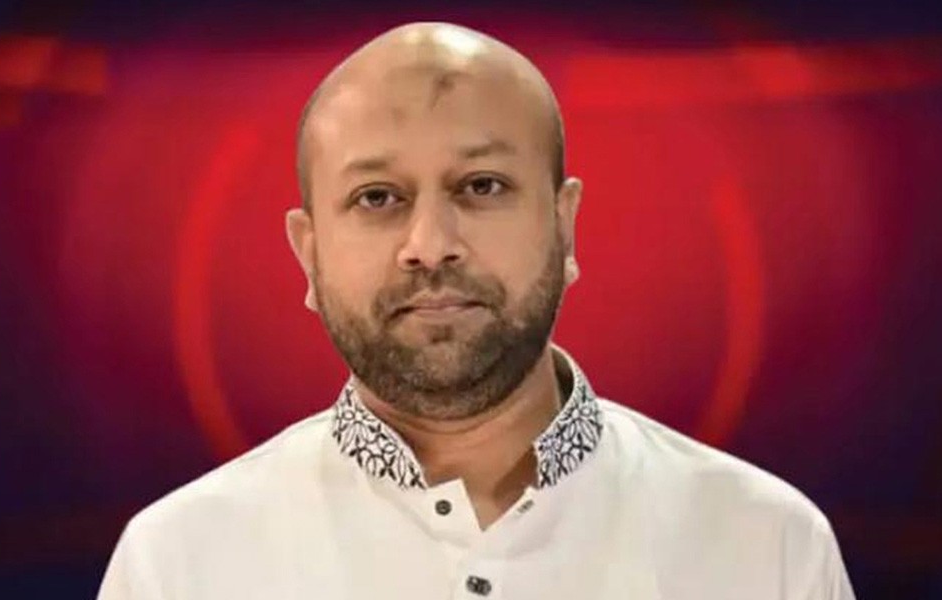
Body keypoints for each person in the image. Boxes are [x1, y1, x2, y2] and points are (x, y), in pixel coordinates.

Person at [97, 22, 855, 599]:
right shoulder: (180, 565)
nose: (430, 245)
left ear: (564, 227)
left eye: (482, 186)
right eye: (377, 197)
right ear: (309, 252)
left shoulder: (766, 546)